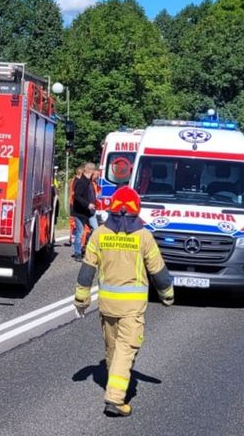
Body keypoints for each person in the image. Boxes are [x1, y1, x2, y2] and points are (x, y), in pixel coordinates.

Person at [74, 186, 175, 417]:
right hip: (132, 309)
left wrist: (81, 298)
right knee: (125, 350)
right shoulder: (143, 236)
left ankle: (114, 385)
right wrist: (167, 295)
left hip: (107, 306)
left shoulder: (100, 234)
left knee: (113, 349)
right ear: (136, 209)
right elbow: (158, 271)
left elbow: (87, 270)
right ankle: (115, 398)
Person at [70, 163, 97, 260]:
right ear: (91, 171)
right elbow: (77, 196)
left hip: (89, 212)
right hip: (80, 212)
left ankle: (89, 250)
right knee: (80, 232)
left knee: (96, 230)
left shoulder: (88, 181)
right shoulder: (81, 182)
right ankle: (77, 253)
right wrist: (87, 204)